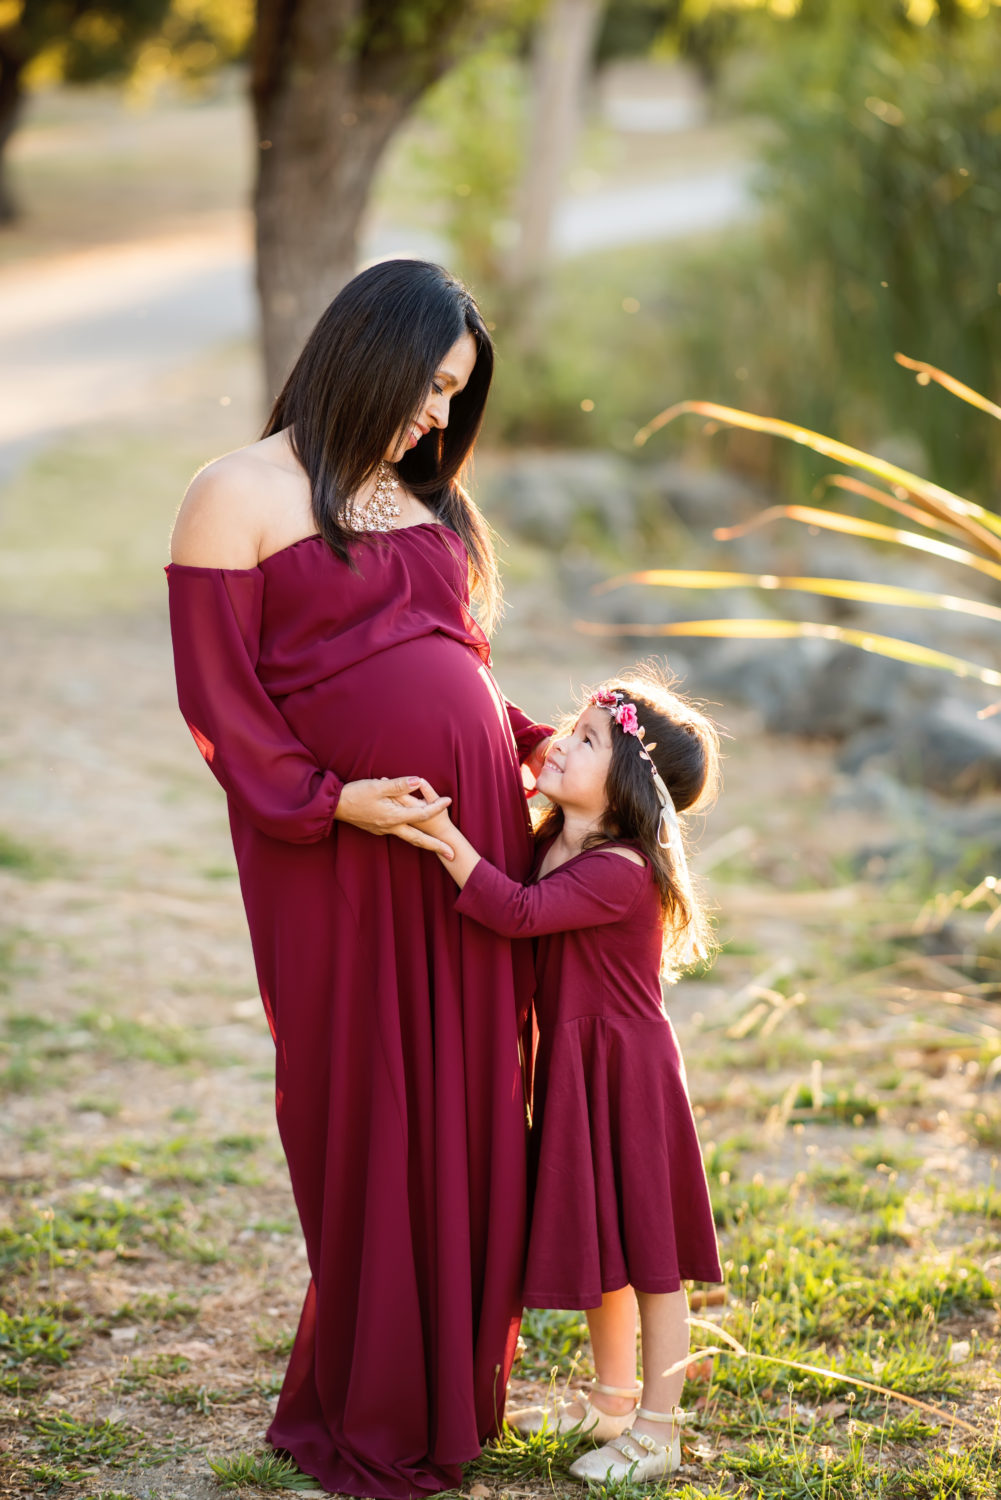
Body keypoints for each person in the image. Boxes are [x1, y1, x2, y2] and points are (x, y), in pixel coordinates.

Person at [165, 259, 552, 1498]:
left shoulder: (421, 499)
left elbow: (457, 667)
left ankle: (451, 1391)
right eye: (432, 387)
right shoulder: (236, 494)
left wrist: (548, 750)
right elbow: (220, 708)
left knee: (475, 1108)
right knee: (366, 1112)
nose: (442, 418)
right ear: (369, 352)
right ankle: (375, 1393)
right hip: (332, 854)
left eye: (456, 397)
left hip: (466, 852)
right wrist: (337, 801)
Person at [417, 670, 723, 1484]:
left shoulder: (619, 868)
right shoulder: (560, 835)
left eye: (585, 740)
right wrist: (473, 690)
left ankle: (658, 1432)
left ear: (623, 784)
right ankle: (610, 1400)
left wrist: (446, 838)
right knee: (604, 1243)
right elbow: (521, 739)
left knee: (649, 1258)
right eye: (569, 728)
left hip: (626, 1071)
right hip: (577, 1064)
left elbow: (516, 911)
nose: (561, 743)